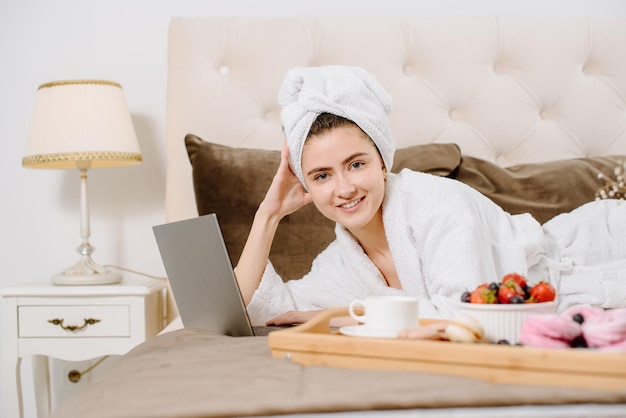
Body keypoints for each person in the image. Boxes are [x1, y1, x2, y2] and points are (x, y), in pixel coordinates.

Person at [234, 65, 626, 326]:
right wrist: (267, 216)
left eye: (356, 164)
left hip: (604, 251)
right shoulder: (342, 262)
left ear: (383, 162)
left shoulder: (438, 205)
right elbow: (260, 310)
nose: (344, 188)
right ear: (308, 186)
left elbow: (467, 317)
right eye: (322, 175)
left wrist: (344, 315)